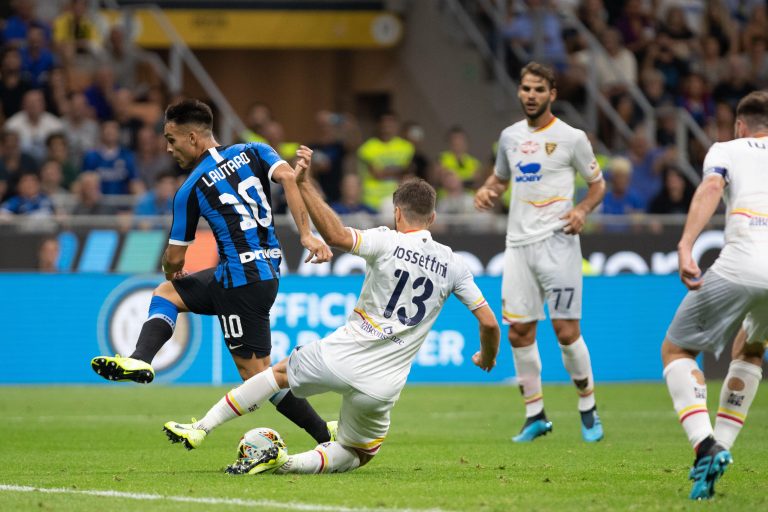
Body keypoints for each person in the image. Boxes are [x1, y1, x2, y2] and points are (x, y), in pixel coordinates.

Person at [163, 156, 500, 476]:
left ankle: (201, 427)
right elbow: (488, 322)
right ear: (433, 218)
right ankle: (286, 463)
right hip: (384, 384)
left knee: (275, 375)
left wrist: (305, 184)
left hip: (342, 354)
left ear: (397, 213)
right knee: (359, 453)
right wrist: (486, 355)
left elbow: (337, 236)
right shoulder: (455, 264)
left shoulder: (386, 241)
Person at [90, 99, 337, 446]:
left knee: (258, 378)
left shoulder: (190, 188)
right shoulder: (255, 151)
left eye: (172, 139)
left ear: (193, 138)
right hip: (260, 272)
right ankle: (140, 359)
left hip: (239, 282)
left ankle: (326, 435)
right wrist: (307, 234)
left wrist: (170, 268)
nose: (168, 148)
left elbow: (175, 257)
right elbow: (289, 178)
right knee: (167, 294)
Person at [474, 62, 606, 443]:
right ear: (520, 91)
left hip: (558, 243)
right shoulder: (510, 137)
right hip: (517, 246)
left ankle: (587, 407)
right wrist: (487, 191)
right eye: (526, 89)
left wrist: (581, 210)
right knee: (518, 332)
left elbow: (597, 185)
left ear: (552, 94)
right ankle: (536, 415)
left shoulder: (572, 138)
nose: (531, 95)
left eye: (538, 90)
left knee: (566, 331)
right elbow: (500, 178)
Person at [660, 90, 768, 500]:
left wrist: (687, 245)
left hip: (743, 260)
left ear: (740, 126)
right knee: (752, 348)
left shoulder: (727, 149)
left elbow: (710, 188)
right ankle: (718, 452)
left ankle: (706, 445)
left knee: (676, 349)